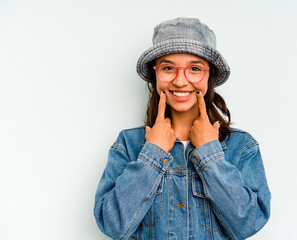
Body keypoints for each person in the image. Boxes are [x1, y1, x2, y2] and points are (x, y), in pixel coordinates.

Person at [94, 17, 271, 240]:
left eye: (194, 68)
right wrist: (153, 153)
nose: (179, 81)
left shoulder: (241, 147)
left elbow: (249, 223)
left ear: (209, 76)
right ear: (155, 74)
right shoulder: (129, 144)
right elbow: (112, 224)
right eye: (168, 68)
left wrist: (210, 155)